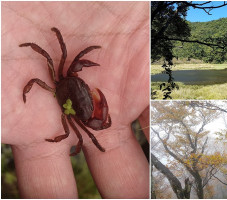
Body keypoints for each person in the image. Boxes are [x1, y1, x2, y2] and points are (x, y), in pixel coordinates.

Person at [2, 1, 150, 198]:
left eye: (86, 90)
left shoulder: (74, 110)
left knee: (84, 134)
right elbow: (86, 132)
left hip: (62, 88)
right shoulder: (77, 104)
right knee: (53, 57)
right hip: (62, 88)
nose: (87, 90)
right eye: (86, 89)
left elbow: (82, 135)